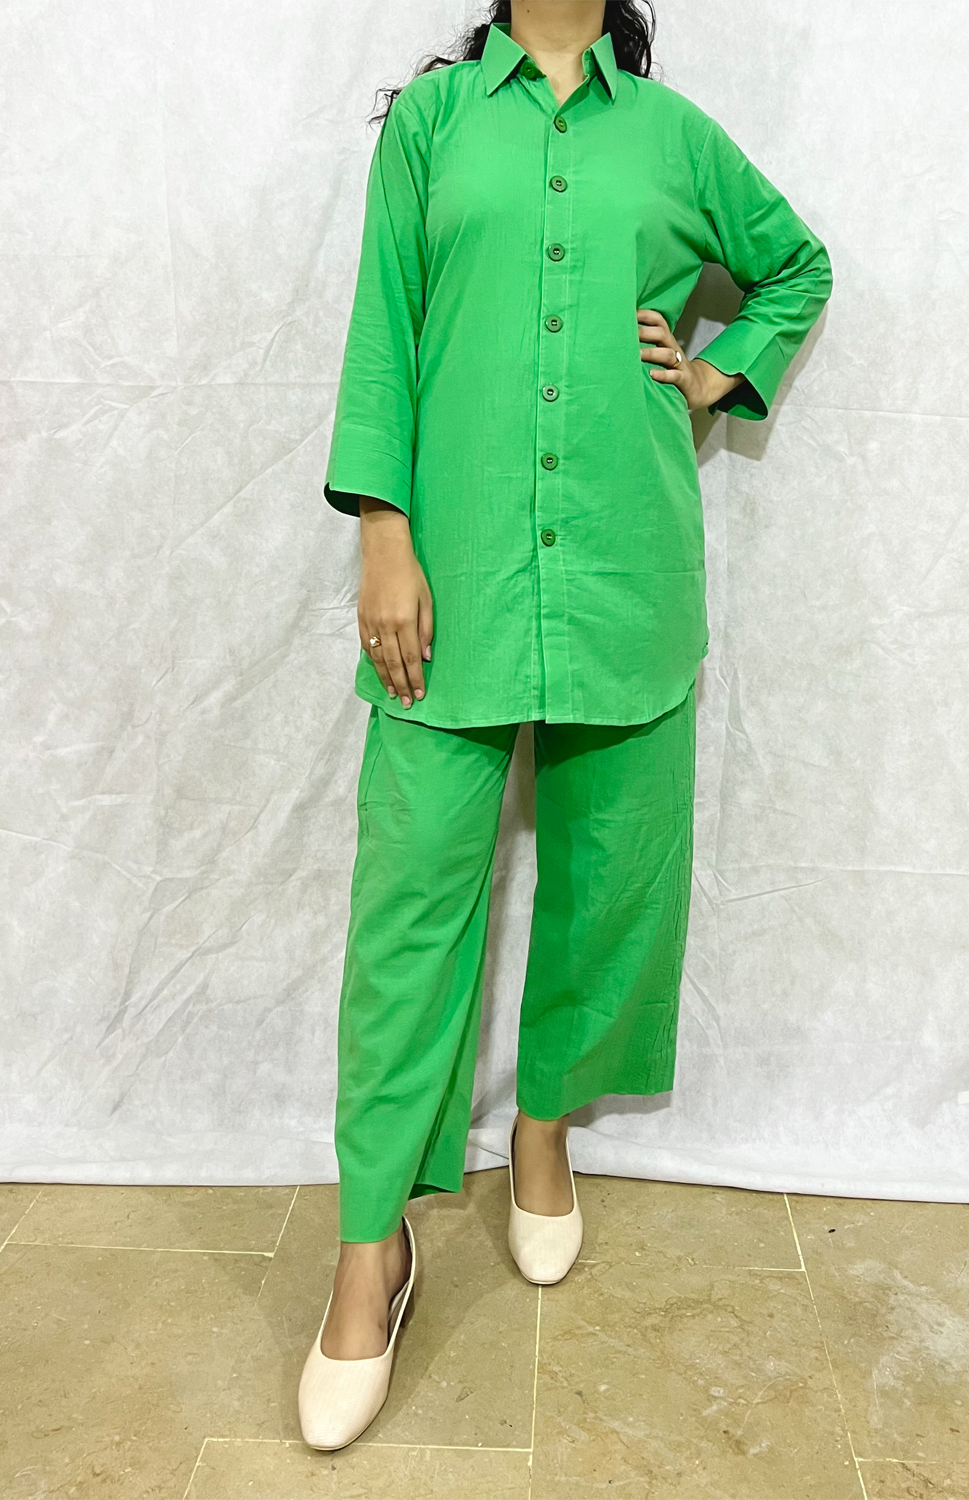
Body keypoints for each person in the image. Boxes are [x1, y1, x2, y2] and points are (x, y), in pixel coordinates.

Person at [297, 0, 833, 1451]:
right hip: (453, 578)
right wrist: (384, 533)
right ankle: (370, 1248)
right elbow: (385, 326)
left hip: (622, 568)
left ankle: (543, 1127)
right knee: (409, 908)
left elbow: (797, 262)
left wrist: (718, 368)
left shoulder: (670, 135)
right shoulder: (432, 123)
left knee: (613, 886)